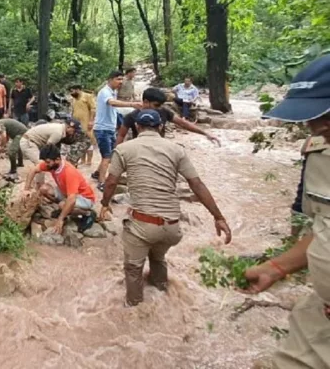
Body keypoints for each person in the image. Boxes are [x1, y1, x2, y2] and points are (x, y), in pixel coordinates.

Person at [242, 55, 330, 368]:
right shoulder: (320, 153)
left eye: (325, 113)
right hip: (320, 316)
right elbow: (324, 228)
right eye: (311, 116)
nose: (315, 125)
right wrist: (276, 268)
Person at [98, 109, 231, 307]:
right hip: (172, 227)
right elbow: (197, 184)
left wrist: (104, 204)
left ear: (137, 127)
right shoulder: (176, 149)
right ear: (161, 126)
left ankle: (134, 308)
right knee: (158, 257)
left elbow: (110, 182)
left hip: (143, 224)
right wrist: (218, 217)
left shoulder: (124, 149)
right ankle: (162, 294)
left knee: (133, 268)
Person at [24, 144, 96, 234]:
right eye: (45, 162)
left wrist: (60, 219)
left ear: (57, 159)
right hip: (67, 192)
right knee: (43, 189)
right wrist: (26, 189)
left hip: (85, 198)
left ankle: (88, 214)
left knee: (63, 205)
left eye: (48, 162)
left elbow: (72, 199)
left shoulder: (69, 172)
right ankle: (65, 209)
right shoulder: (51, 165)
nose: (46, 164)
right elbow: (33, 170)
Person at [117, 88, 221, 146]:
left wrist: (205, 133)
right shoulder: (132, 116)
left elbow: (182, 123)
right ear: (145, 102)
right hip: (139, 150)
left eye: (161, 105)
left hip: (160, 150)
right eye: (156, 105)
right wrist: (115, 154)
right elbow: (121, 135)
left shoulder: (163, 112)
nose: (159, 108)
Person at [93, 70, 142, 191]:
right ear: (110, 79)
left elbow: (114, 109)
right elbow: (112, 103)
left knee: (110, 154)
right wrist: (132, 105)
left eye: (121, 79)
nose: (120, 82)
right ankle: (101, 183)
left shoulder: (112, 91)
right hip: (102, 129)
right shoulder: (105, 92)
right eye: (118, 79)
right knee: (107, 157)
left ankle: (97, 173)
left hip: (109, 128)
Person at [69, 85, 97, 166]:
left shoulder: (88, 96)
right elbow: (73, 110)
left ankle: (89, 161)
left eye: (72, 91)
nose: (71, 93)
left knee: (88, 141)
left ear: (78, 90)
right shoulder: (74, 99)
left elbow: (93, 109)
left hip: (86, 123)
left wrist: (91, 121)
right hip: (77, 124)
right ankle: (82, 160)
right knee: (80, 142)